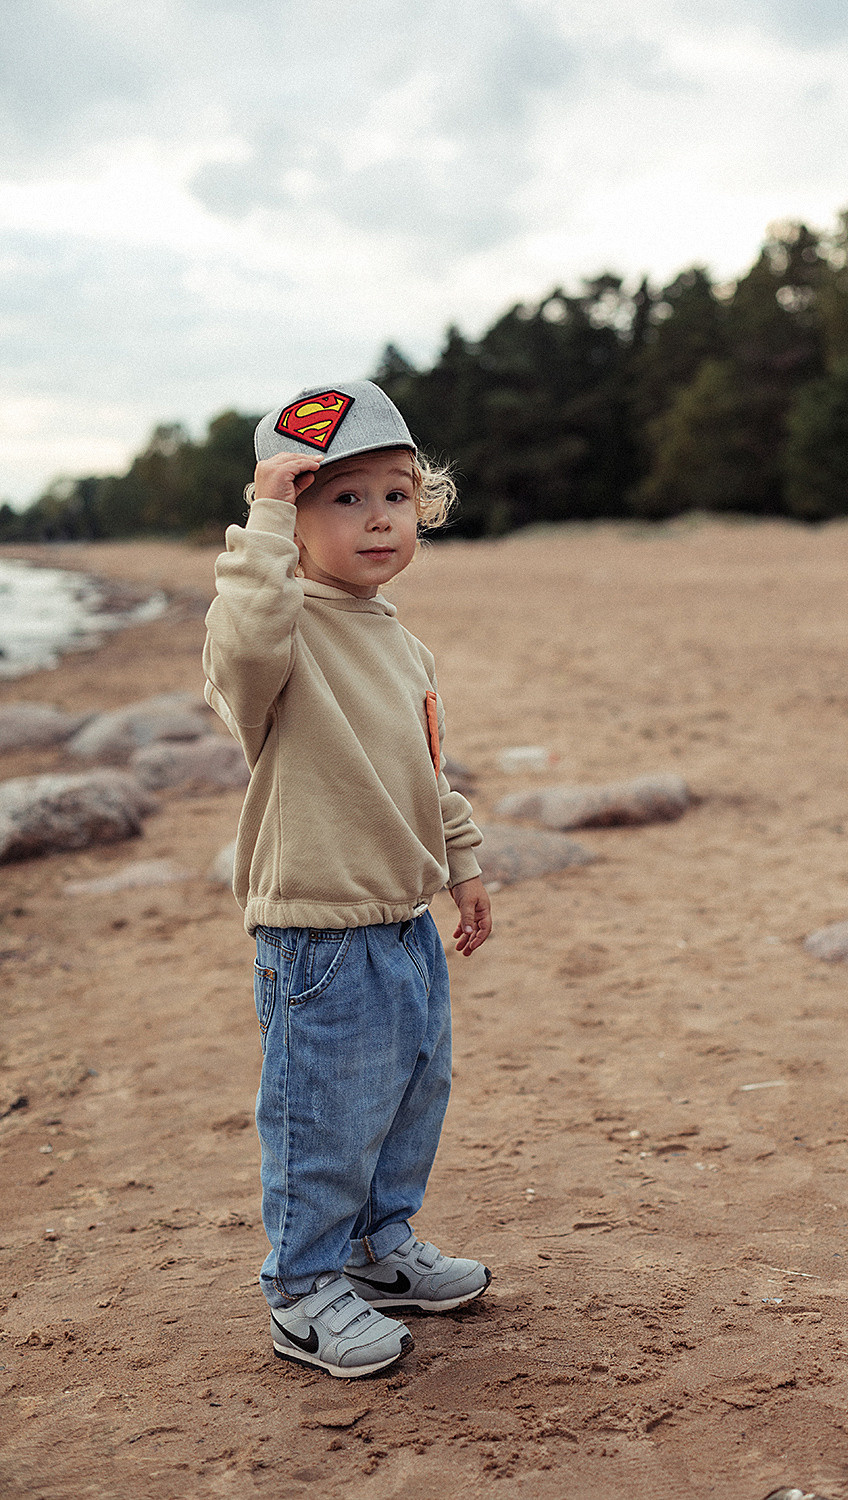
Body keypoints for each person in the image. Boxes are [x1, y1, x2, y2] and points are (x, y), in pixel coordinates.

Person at [203, 380, 493, 1379]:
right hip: (317, 931)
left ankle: (376, 1251)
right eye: (342, 498)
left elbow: (427, 767)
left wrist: (464, 863)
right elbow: (238, 649)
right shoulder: (279, 633)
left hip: (400, 917)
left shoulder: (397, 638)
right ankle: (302, 1292)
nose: (377, 518)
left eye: (397, 496)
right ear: (293, 516)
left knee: (411, 1094)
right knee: (322, 1114)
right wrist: (262, 525)